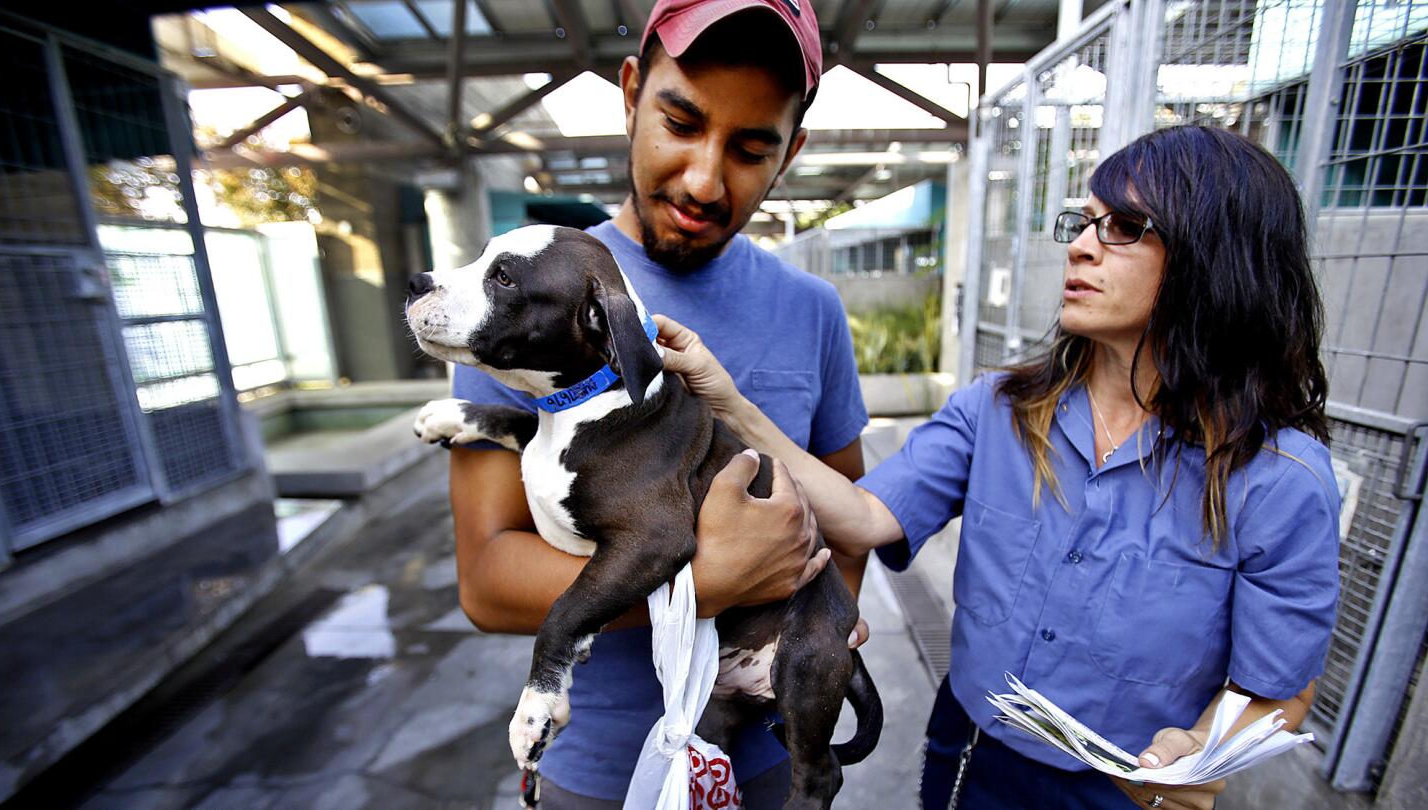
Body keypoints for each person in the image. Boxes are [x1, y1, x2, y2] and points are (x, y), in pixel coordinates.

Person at [655, 125, 1341, 810]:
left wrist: (1200, 751)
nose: (1079, 245)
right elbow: (863, 516)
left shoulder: (1279, 477)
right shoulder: (1000, 410)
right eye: (1084, 222)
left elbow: (1277, 691)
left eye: (1125, 227)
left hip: (1125, 789)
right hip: (969, 750)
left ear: (1214, 259)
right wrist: (731, 404)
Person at [446, 1, 869, 806]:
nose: (707, 179)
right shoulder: (525, 302)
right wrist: (705, 585)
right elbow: (488, 581)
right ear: (632, 91)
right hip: (597, 774)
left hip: (764, 762)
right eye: (681, 121)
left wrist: (818, 640)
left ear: (793, 152)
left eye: (751, 148)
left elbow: (845, 517)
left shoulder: (811, 309)